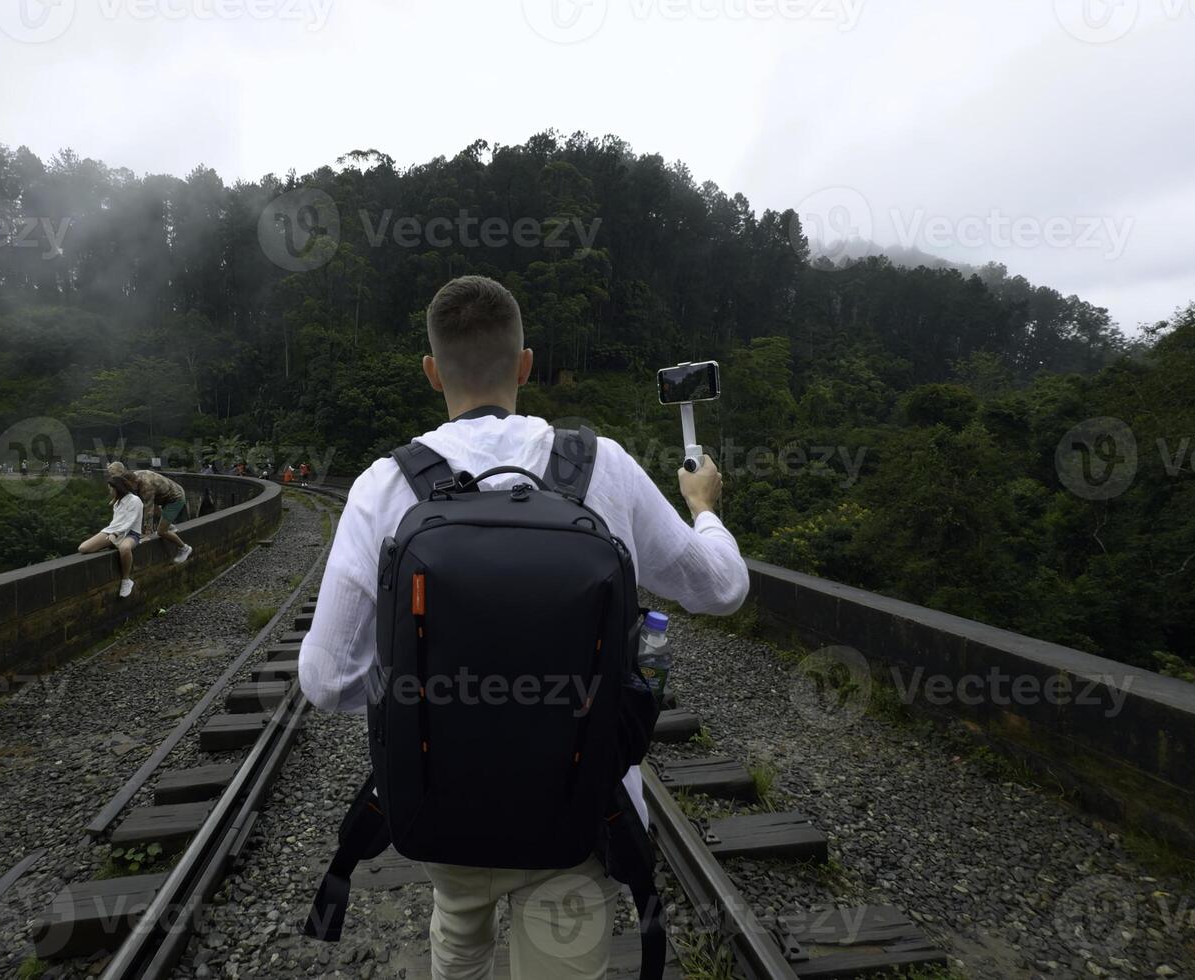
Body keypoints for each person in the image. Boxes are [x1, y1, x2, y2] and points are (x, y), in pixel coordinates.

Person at [299, 275, 750, 979]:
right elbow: (722, 587)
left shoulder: (383, 487)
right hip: (579, 817)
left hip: (441, 812)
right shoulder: (604, 467)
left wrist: (428, 690)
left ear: (430, 371)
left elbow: (325, 681)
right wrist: (703, 506)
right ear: (526, 364)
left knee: (458, 937)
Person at [105, 462, 193, 564]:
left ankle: (184, 548)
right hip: (163, 496)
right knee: (149, 505)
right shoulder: (133, 476)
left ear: (135, 483)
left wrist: (146, 534)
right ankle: (170, 526)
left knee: (161, 532)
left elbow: (148, 511)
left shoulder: (146, 487)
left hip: (175, 499)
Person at [79, 473, 143, 597]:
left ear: (117, 488)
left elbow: (130, 521)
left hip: (130, 533)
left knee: (124, 548)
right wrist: (110, 534)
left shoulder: (135, 500)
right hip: (112, 531)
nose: (109, 491)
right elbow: (115, 523)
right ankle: (113, 544)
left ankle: (126, 580)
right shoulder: (117, 503)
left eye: (110, 488)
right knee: (84, 548)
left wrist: (116, 533)